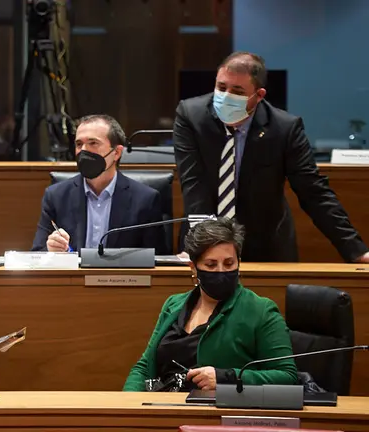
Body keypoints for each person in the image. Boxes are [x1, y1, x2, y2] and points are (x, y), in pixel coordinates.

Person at [174, 51, 369, 263]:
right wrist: (204, 244)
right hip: (202, 240)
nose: (226, 96)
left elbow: (313, 192)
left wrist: (356, 251)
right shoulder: (191, 116)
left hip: (266, 246)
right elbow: (194, 185)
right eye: (221, 88)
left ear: (259, 95)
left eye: (237, 91)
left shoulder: (285, 128)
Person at [123, 218, 298, 391]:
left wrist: (226, 378)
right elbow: (144, 367)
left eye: (229, 263)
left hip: (213, 411)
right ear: (193, 267)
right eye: (211, 265)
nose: (221, 271)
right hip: (161, 405)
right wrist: (128, 404)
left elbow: (287, 377)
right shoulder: (173, 304)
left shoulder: (261, 310)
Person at [32, 114, 166, 253]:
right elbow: (36, 253)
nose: (83, 150)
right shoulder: (56, 196)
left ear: (117, 153)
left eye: (93, 143)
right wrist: (50, 249)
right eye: (79, 144)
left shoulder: (145, 199)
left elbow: (158, 261)